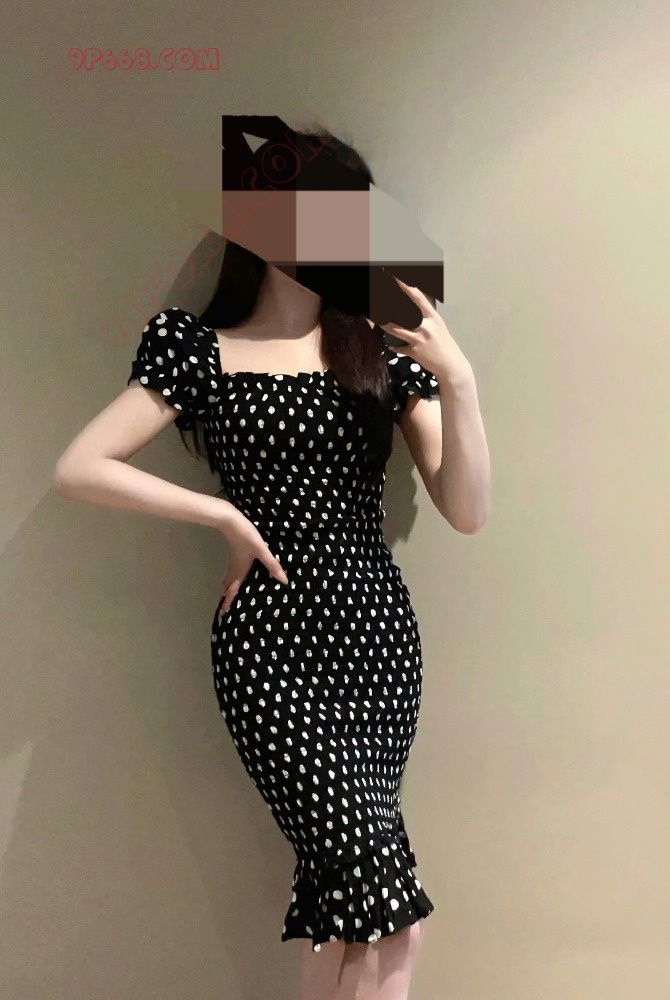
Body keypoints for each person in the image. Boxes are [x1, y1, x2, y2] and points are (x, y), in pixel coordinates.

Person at [53, 131, 491, 1000]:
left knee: (344, 901)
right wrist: (220, 512)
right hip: (270, 646)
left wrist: (461, 382)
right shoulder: (197, 346)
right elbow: (80, 467)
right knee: (390, 913)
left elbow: (468, 511)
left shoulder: (379, 351)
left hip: (375, 643)